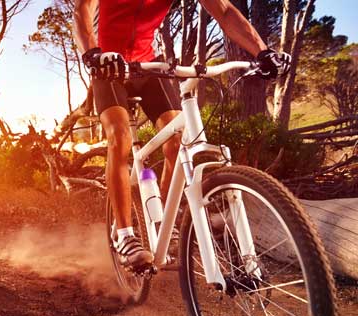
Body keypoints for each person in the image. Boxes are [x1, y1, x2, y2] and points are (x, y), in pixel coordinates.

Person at [73, 0, 291, 272]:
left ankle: (163, 221)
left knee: (178, 139)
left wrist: (261, 51)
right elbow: (82, 9)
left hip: (148, 64)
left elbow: (223, 11)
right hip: (108, 65)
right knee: (119, 136)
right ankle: (125, 234)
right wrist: (92, 53)